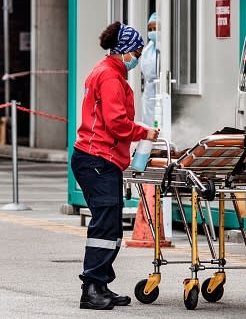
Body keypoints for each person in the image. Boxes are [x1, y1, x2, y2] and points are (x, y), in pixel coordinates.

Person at [71, 21, 159, 310]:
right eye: (136, 51)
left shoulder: (109, 72)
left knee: (110, 225)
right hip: (96, 158)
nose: (137, 57)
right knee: (105, 224)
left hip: (99, 159)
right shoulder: (109, 77)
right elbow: (117, 123)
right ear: (124, 51)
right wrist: (143, 132)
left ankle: (101, 285)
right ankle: (92, 289)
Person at [140, 12, 159, 127]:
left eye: (156, 28)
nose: (152, 32)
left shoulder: (164, 48)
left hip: (160, 87)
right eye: (150, 29)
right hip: (149, 90)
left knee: (159, 122)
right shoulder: (148, 49)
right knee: (148, 122)